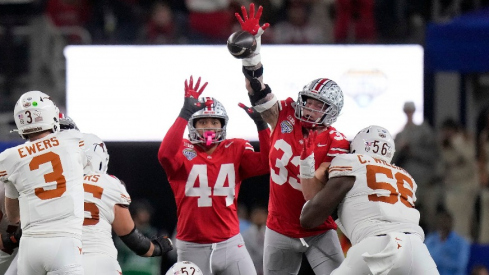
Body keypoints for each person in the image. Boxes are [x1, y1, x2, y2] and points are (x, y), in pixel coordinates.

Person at [233, 4, 349, 274]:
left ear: (330, 112)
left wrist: (308, 160)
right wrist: (251, 53)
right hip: (279, 227)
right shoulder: (285, 114)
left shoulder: (338, 142)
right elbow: (256, 89)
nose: (308, 108)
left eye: (317, 105)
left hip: (317, 229)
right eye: (307, 100)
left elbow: (316, 197)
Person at [157, 76, 271, 275]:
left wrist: (262, 125)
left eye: (214, 122)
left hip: (230, 243)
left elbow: (267, 161)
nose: (209, 127)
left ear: (222, 125)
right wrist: (184, 113)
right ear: (192, 125)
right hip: (192, 247)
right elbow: (165, 155)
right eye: (202, 122)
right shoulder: (184, 148)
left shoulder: (234, 147)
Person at [300, 125, 439, 274]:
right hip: (416, 249)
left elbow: (308, 219)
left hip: (377, 244)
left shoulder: (352, 162)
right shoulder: (405, 176)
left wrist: (311, 173)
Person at [0, 90, 86, 274]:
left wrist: (10, 184)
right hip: (65, 243)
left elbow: (14, 217)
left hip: (30, 248)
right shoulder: (73, 140)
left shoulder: (10, 158)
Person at [80, 133, 173, 274]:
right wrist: (156, 248)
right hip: (99, 260)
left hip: (63, 258)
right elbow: (132, 238)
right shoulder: (110, 184)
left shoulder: (53, 186)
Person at [393, 101, 441, 232]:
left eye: (411, 110)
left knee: (429, 216)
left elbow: (433, 156)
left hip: (425, 181)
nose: (409, 113)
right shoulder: (400, 135)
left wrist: (413, 151)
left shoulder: (424, 132)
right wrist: (400, 148)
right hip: (408, 184)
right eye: (406, 110)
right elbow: (393, 160)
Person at [425, 210, 470, 275]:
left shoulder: (461, 243)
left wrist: (437, 260)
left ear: (451, 224)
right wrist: (446, 257)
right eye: (441, 222)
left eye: (446, 222)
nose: (443, 225)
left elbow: (460, 264)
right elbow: (424, 260)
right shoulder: (430, 239)